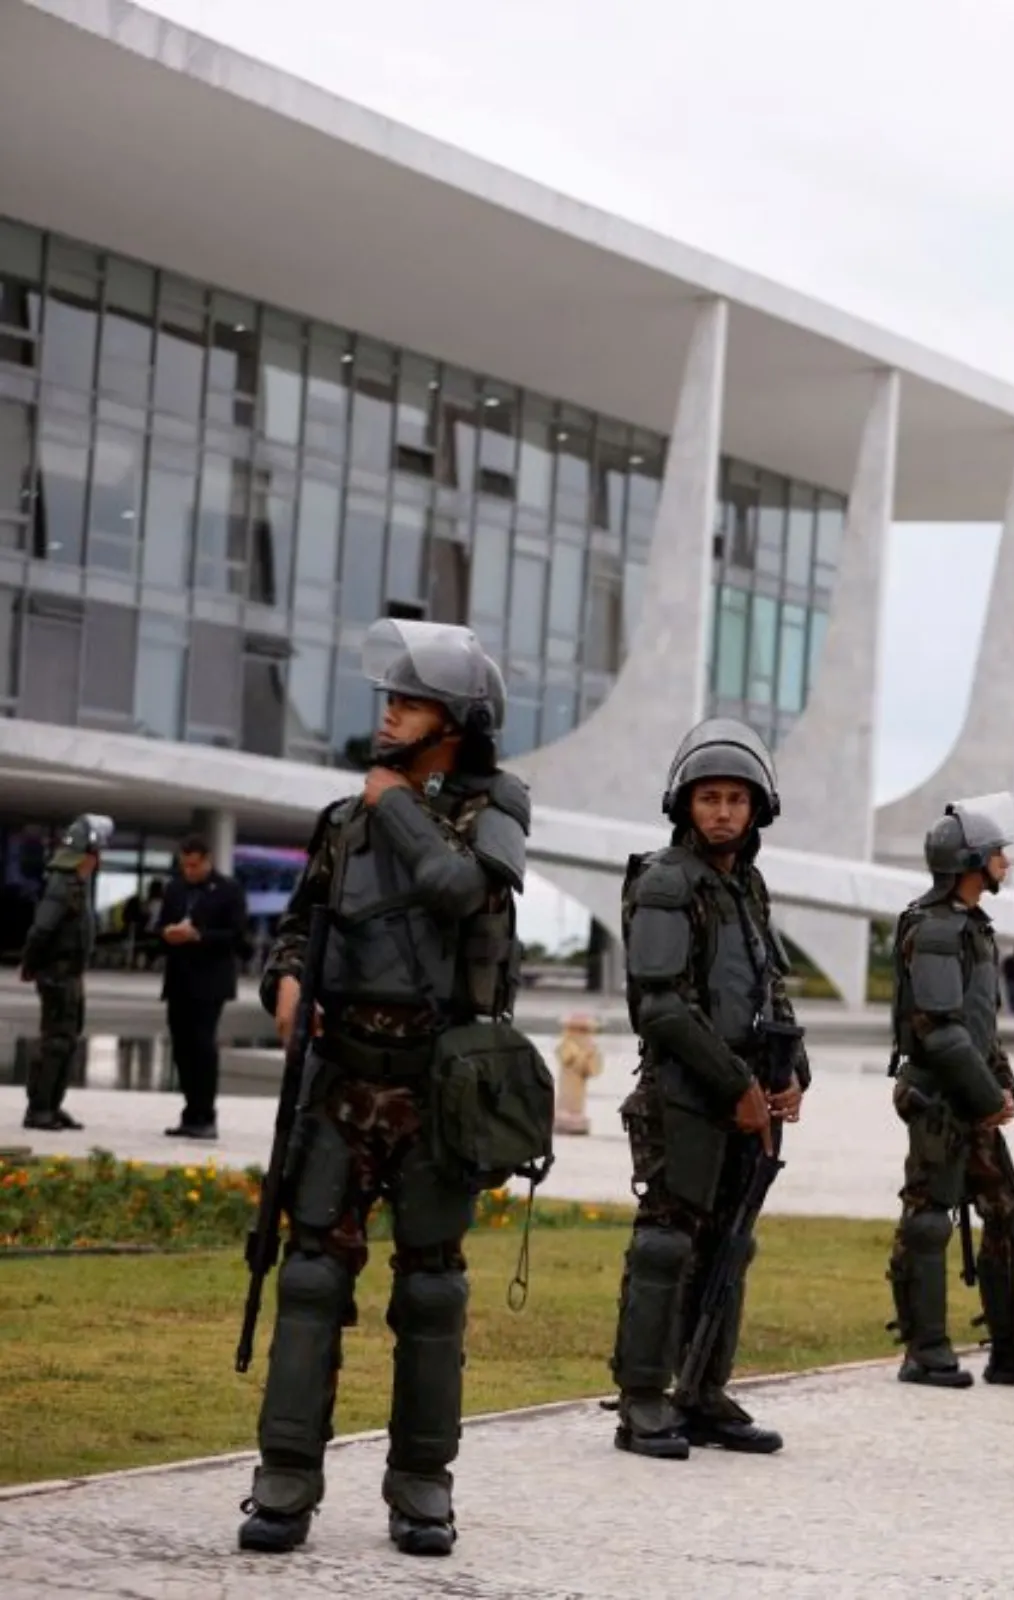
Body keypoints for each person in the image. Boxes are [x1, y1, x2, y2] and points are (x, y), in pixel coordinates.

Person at [238, 619, 530, 1558]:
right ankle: (283, 1481)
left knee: (434, 1293)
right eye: (391, 700)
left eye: (407, 702)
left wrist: (394, 805)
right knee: (312, 1278)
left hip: (438, 1090)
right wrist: (285, 982)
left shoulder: (497, 810)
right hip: (343, 1082)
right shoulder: (345, 822)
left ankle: (420, 1488)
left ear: (454, 722)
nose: (390, 715)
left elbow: (456, 890)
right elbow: (297, 927)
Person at [610, 719, 811, 1460]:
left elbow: (769, 987)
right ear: (684, 805)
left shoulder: (746, 886)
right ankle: (641, 1400)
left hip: (746, 1100)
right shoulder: (666, 881)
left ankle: (701, 1391)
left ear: (757, 809)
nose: (723, 812)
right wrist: (735, 1086)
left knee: (731, 1242)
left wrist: (790, 1074)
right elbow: (659, 1005)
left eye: (736, 799)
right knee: (666, 1244)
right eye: (709, 799)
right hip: (683, 1099)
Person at [886, 793, 1014, 1392]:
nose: (1005, 864)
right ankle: (926, 1350)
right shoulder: (938, 928)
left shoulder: (971, 927)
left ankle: (1011, 1349)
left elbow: (976, 1021)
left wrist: (1001, 1081)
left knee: (1010, 1216)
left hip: (970, 1095)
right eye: (998, 854)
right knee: (928, 1221)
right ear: (971, 859)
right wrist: (986, 1094)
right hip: (940, 1099)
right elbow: (939, 1032)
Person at [18, 812, 107, 1132]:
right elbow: (40, 931)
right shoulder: (62, 884)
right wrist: (30, 965)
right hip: (58, 975)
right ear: (90, 856)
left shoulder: (75, 885)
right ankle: (39, 1108)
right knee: (55, 1041)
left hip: (71, 975)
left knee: (67, 1040)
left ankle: (52, 1106)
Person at [159, 833, 250, 1141]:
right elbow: (161, 925)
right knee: (181, 1047)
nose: (189, 871)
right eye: (185, 865)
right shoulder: (175, 889)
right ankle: (189, 1111)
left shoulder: (228, 890)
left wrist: (200, 936)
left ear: (208, 861)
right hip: (179, 980)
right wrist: (168, 933)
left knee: (202, 1046)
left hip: (209, 982)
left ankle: (205, 1114)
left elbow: (237, 936)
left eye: (195, 865)